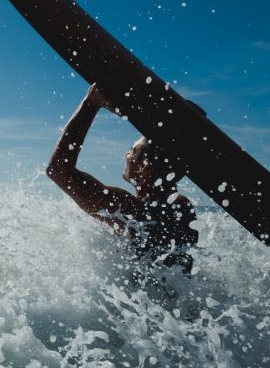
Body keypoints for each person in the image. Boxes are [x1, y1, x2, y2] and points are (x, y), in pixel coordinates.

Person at [46, 83, 198, 274]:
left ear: (144, 166)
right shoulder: (184, 208)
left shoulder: (127, 209)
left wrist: (91, 103)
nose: (126, 155)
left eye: (133, 151)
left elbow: (58, 170)